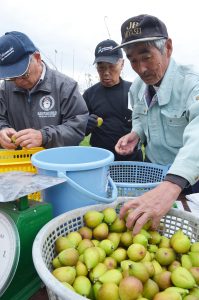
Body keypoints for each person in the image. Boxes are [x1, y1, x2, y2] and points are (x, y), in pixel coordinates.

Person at [114, 14, 199, 234]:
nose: (141, 69)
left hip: (190, 179)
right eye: (132, 60)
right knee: (157, 231)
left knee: (191, 231)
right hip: (155, 173)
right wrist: (137, 133)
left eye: (146, 56)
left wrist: (173, 183)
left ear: (167, 48)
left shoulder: (192, 84)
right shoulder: (137, 88)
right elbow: (140, 116)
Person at [0, 31, 88, 149]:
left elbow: (77, 127)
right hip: (19, 163)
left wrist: (44, 136)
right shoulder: (5, 88)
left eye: (24, 74)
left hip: (55, 163)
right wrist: (2, 129)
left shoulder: (66, 86)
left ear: (37, 58)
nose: (18, 82)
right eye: (12, 77)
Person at [83, 39, 142, 161]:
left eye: (111, 66)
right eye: (101, 67)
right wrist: (85, 124)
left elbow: (148, 125)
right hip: (100, 161)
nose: (106, 72)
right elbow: (78, 132)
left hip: (132, 161)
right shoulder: (89, 94)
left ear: (122, 64)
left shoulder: (135, 90)